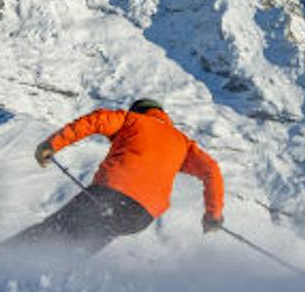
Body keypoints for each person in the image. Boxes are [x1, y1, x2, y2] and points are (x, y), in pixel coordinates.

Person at [12, 96, 225, 251]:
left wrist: (52, 144)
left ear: (138, 111)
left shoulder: (131, 120)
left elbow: (95, 120)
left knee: (53, 230)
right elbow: (211, 170)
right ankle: (44, 286)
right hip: (141, 217)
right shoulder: (182, 144)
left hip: (110, 196)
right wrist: (213, 215)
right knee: (85, 243)